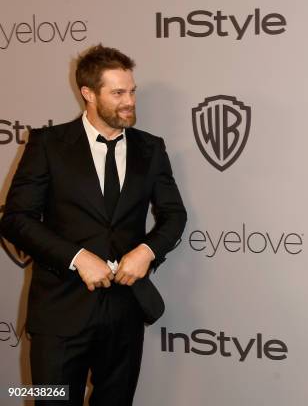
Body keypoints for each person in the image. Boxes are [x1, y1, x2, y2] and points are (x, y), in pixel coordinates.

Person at [0, 44, 187, 405]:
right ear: (88, 94)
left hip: (124, 309)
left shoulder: (151, 148)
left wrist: (146, 251)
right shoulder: (48, 144)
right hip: (59, 313)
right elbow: (16, 219)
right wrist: (77, 257)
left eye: (132, 91)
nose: (129, 101)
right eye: (118, 93)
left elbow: (174, 214)